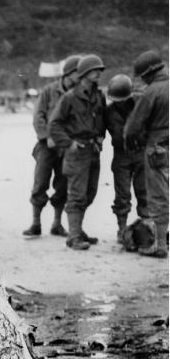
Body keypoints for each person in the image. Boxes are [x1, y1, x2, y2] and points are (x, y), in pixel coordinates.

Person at [48, 54, 108, 250]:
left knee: (89, 193)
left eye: (100, 70)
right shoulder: (70, 98)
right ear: (84, 73)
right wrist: (69, 143)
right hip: (77, 152)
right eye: (94, 70)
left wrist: (100, 137)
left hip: (93, 151)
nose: (99, 73)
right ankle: (74, 237)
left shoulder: (99, 96)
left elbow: (102, 121)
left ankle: (77, 230)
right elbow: (54, 125)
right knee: (76, 195)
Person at [23, 54, 81, 238]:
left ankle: (57, 224)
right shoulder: (48, 91)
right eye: (78, 73)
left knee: (63, 185)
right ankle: (36, 223)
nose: (80, 77)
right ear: (69, 73)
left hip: (66, 146)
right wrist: (47, 136)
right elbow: (38, 116)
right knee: (40, 183)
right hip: (46, 146)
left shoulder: (77, 94)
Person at [124, 50, 169, 259]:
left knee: (158, 196)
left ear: (149, 73)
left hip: (158, 148)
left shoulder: (152, 92)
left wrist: (132, 142)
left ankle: (160, 245)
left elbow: (132, 128)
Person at [105, 74, 149, 246]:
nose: (119, 102)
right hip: (121, 156)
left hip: (140, 153)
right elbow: (99, 130)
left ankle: (147, 227)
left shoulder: (140, 104)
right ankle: (122, 229)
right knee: (122, 195)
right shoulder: (108, 111)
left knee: (144, 191)